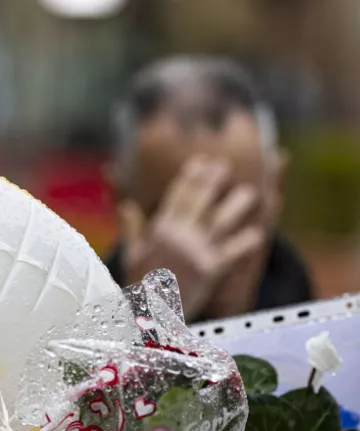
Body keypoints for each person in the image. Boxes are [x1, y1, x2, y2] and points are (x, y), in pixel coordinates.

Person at [105, 56, 313, 323]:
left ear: (277, 187)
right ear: (120, 198)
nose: (206, 260)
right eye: (174, 214)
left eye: (239, 214)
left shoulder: (315, 325)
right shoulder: (71, 320)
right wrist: (148, 319)